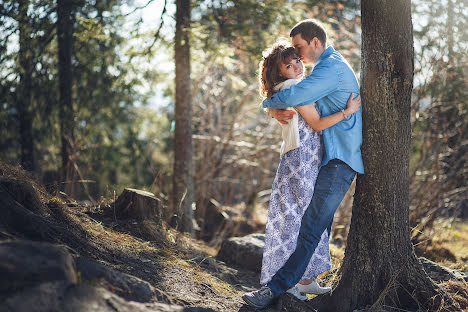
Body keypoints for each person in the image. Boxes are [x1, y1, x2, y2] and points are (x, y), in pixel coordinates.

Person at [243, 18, 363, 309]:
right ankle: (304, 280)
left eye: (299, 48)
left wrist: (267, 104)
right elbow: (299, 103)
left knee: (310, 226)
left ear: (315, 43)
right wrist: (274, 108)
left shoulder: (330, 69)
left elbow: (296, 95)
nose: (298, 56)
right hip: (329, 159)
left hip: (340, 161)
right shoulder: (325, 67)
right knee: (314, 224)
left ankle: (274, 289)